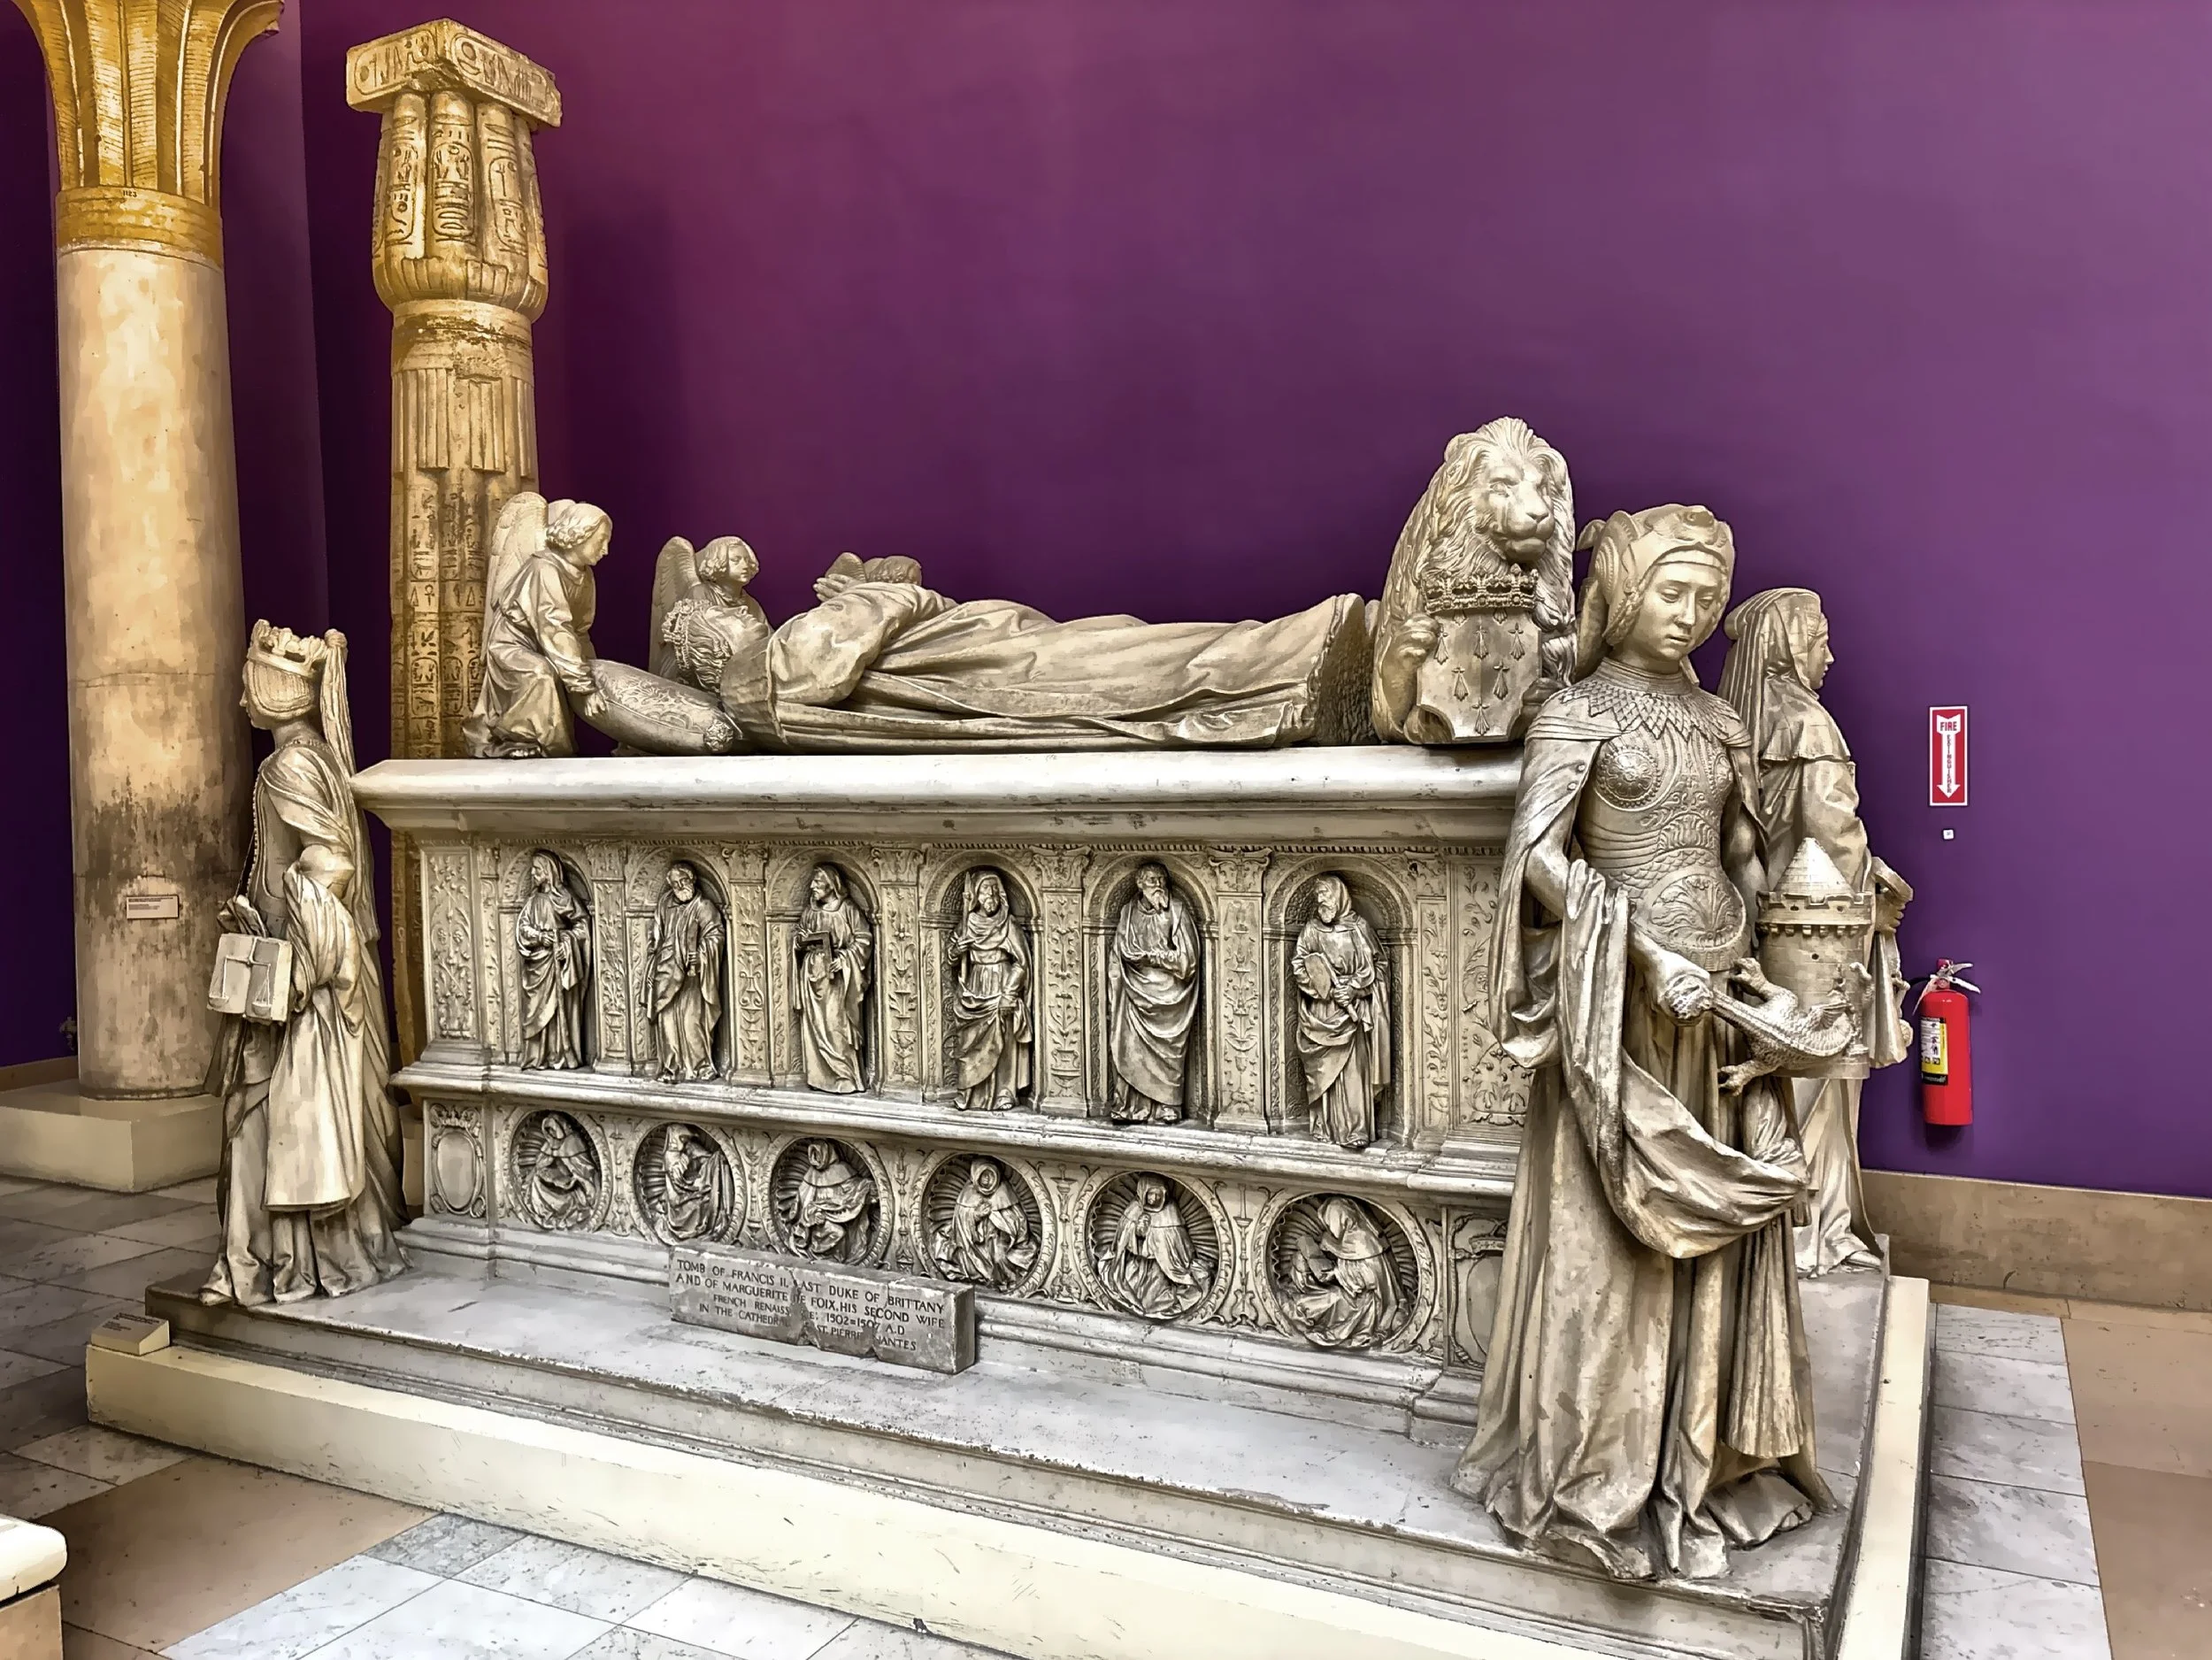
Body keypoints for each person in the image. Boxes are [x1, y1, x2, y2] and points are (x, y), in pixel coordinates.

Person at [1452, 505, 1824, 1583]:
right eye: (1672, 592)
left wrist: (1762, 969)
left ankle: (1697, 1454)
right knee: (1615, 1249)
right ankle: (1595, 1468)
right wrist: (1643, 953)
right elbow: (1537, 856)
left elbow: (1743, 853)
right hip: (1620, 1016)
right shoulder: (1577, 714)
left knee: (1707, 1247)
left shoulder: (1717, 721)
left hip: (1714, 1018)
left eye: (1707, 598)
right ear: (1621, 592)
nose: (1692, 614)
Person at [203, 624, 405, 1308]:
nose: (240, 702)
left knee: (275, 1114)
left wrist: (295, 958)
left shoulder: (288, 765)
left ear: (272, 689)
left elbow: (331, 861)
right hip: (301, 955)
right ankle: (281, 1256)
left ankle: (282, 1259)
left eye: (245, 685)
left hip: (303, 971)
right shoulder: (312, 755)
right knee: (278, 1113)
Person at [1718, 588, 1911, 1276]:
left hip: (1747, 931)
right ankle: (1810, 1233)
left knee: (1768, 1079)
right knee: (1820, 1077)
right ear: (1791, 643)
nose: (1829, 655)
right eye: (1819, 638)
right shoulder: (1808, 725)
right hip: (1817, 934)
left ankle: (1773, 1225)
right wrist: (1882, 891)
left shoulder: (1732, 720)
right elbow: (1836, 839)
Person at [465, 497, 611, 757]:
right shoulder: (545, 567)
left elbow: (579, 631)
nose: (605, 550)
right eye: (601, 540)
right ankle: (519, 740)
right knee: (539, 673)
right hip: (512, 645)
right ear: (579, 534)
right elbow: (554, 627)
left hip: (547, 646)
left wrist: (590, 670)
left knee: (558, 673)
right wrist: (582, 686)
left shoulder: (584, 576)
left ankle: (548, 749)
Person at [1291, 875, 1391, 1148]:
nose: (1321, 900)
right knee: (1324, 1074)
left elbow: (1379, 967)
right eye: (1318, 896)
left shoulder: (1359, 928)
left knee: (1353, 1074)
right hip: (1321, 1012)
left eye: (1325, 894)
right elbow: (1300, 963)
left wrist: (1355, 988)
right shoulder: (1311, 931)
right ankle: (1325, 1125)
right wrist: (1318, 987)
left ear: (1339, 896)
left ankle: (1356, 1129)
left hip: (1351, 1014)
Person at [1106, 865, 1201, 1124]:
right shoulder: (1127, 913)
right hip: (1132, 993)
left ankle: (1167, 1104)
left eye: (1161, 879)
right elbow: (1118, 955)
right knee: (1130, 1048)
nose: (1157, 884)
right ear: (1139, 884)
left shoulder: (1177, 911)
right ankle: (1130, 1105)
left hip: (1169, 995)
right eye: (1151, 880)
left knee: (1168, 1051)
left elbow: (1188, 961)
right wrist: (1116, 986)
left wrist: (1154, 957)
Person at [946, 870, 1032, 1111]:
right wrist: (957, 950)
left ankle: (1004, 1092)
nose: (991, 895)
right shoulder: (967, 923)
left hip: (1001, 983)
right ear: (975, 895)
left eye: (995, 890)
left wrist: (1009, 993)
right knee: (970, 1043)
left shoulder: (1008, 924)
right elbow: (952, 959)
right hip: (975, 986)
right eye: (985, 890)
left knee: (1002, 1042)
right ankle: (971, 1094)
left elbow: (1022, 962)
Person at [793, 865, 872, 1094]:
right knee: (815, 1027)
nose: (812, 887)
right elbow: (799, 934)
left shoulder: (848, 910)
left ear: (832, 884)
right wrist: (800, 941)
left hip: (838, 979)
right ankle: (821, 1077)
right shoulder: (810, 912)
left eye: (817, 883)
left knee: (837, 1025)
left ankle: (846, 1076)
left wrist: (845, 959)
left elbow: (864, 939)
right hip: (812, 978)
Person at [1286, 1196, 1403, 1349]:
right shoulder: (1347, 1237)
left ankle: (1324, 1328)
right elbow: (1345, 1258)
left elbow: (1369, 1280)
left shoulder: (1364, 1241)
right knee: (1318, 1286)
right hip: (1351, 1291)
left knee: (1332, 1298)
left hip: (1370, 1301)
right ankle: (1303, 1310)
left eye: (1331, 1221)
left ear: (1341, 1217)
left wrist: (1336, 1273)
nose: (1331, 1226)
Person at [642, 863, 724, 1082]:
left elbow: (716, 936)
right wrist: (654, 961)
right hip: (666, 972)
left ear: (693, 880)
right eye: (675, 883)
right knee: (667, 1023)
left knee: (691, 1022)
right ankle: (671, 1068)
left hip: (692, 977)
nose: (680, 887)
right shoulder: (664, 904)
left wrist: (703, 953)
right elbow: (656, 938)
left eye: (684, 881)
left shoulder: (704, 907)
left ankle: (701, 1065)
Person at [1095, 1176, 1210, 1318]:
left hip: (1162, 1269)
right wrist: (1137, 1233)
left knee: (1153, 1300)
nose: (1154, 1198)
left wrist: (1158, 1243)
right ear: (1143, 1192)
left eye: (1158, 1194)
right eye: (1151, 1194)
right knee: (1128, 1289)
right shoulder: (1134, 1209)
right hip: (1136, 1263)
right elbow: (1121, 1240)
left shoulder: (1170, 1213)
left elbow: (1181, 1244)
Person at [516, 853, 589, 1070]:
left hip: (558, 964)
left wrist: (566, 944)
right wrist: (539, 937)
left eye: (538, 870)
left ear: (549, 873)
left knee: (559, 1011)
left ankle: (560, 1054)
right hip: (538, 964)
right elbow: (523, 928)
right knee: (536, 1011)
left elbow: (582, 926)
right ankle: (538, 1056)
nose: (533, 874)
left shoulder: (564, 897)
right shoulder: (532, 902)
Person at [931, 1158, 1038, 1288]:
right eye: (983, 1175)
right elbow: (960, 1222)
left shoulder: (1004, 1192)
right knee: (965, 1258)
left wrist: (1000, 1223)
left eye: (990, 1175)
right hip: (972, 1241)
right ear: (976, 1176)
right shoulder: (967, 1194)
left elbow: (1018, 1220)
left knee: (1000, 1258)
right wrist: (975, 1216)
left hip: (999, 1238)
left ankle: (1004, 1281)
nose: (987, 1179)